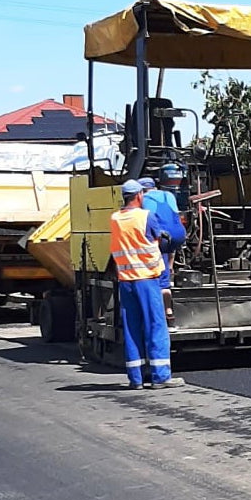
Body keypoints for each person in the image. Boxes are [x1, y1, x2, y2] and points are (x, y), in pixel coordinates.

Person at [110, 179, 183, 390]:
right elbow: (159, 236)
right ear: (140, 196)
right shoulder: (145, 216)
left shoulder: (115, 218)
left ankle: (136, 379)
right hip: (146, 279)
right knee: (156, 325)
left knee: (132, 328)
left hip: (126, 281)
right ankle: (160, 376)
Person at [141, 165, 188, 326]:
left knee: (156, 275)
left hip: (161, 238)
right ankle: (170, 312)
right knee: (165, 265)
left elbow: (148, 222)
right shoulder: (169, 195)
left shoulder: (144, 200)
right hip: (179, 235)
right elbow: (175, 218)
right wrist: (171, 264)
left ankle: (160, 313)